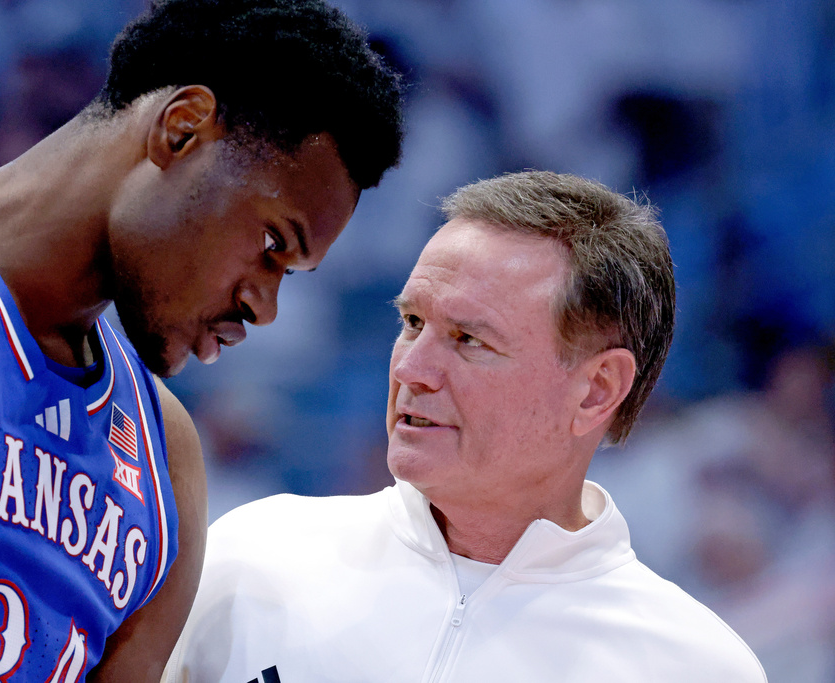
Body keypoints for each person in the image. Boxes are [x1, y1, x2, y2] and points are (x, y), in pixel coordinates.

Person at [0, 0, 404, 680]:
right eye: (273, 244)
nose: (264, 307)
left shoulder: (168, 463)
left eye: (293, 274)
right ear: (180, 130)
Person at [164, 171, 767, 682]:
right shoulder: (252, 557)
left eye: (468, 339)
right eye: (411, 323)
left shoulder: (694, 666)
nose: (412, 368)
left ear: (596, 389)